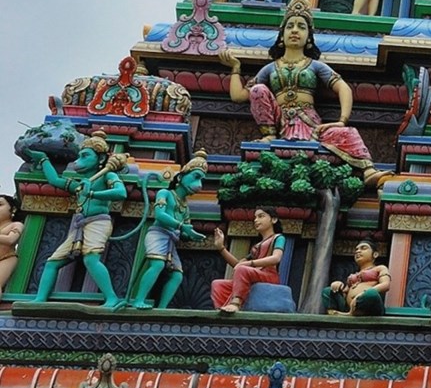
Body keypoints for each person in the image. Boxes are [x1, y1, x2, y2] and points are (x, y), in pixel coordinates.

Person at [221, 0, 374, 176]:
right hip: (281, 120)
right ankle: (269, 134)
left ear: (308, 37)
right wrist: (235, 67)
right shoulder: (271, 68)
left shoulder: (315, 65)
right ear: (282, 35)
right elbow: (239, 96)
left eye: (301, 27)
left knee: (349, 133)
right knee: (258, 89)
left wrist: (342, 121)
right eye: (290, 26)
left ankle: (369, 171)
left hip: (311, 124)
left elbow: (343, 88)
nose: (295, 30)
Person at [29, 134, 129, 308]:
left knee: (91, 259)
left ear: (101, 159)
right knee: (52, 262)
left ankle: (112, 298)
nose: (78, 161)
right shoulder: (80, 184)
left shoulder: (107, 176)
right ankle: (40, 299)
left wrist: (92, 193)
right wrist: (44, 159)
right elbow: (54, 180)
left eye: (85, 156)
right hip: (79, 225)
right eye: (79, 156)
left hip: (98, 222)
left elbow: (121, 193)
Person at [127, 152, 210, 309]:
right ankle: (138, 300)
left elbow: (184, 231)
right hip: (158, 234)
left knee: (177, 275)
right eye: (196, 177)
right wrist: (181, 227)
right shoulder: (164, 193)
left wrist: (190, 235)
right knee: (157, 264)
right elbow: (160, 215)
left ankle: (162, 308)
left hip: (171, 240)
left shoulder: (185, 207)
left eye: (201, 180)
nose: (199, 185)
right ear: (181, 177)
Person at [210, 206, 285, 313]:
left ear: (273, 219)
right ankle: (221, 310)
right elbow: (238, 265)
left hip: (269, 275)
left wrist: (250, 264)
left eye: (261, 216)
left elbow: (276, 258)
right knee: (218, 284)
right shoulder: (257, 246)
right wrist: (221, 248)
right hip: (253, 274)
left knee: (242, 270)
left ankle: (236, 303)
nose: (256, 220)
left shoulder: (278, 238)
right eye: (255, 217)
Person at [323, 240, 391, 316]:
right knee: (328, 290)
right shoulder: (353, 276)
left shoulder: (380, 268)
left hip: (370, 307)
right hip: (348, 308)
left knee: (371, 294)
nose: (358, 251)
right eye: (356, 249)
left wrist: (363, 294)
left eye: (363, 248)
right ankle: (333, 312)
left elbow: (386, 285)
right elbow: (345, 293)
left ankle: (354, 313)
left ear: (375, 254)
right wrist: (338, 286)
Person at [0, 192, 22, 294]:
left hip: (6, 258)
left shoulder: (16, 225)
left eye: (0, 205)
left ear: (13, 209)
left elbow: (11, 239)